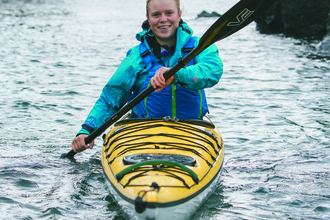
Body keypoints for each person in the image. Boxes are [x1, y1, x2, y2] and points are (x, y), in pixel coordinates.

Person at [71, 0, 223, 153]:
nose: (163, 19)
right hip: (145, 134)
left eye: (169, 13)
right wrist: (87, 129)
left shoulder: (200, 47)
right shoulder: (137, 56)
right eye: (156, 15)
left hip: (191, 130)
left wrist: (176, 74)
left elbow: (212, 72)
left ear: (179, 15)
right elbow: (112, 96)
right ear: (148, 18)